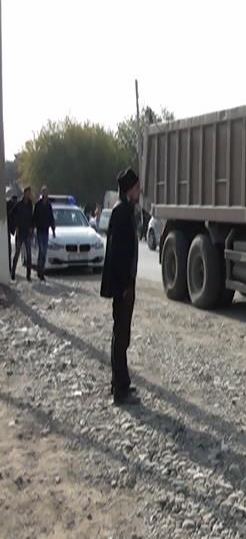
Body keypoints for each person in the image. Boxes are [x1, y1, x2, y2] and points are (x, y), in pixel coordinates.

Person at [100, 168, 141, 406]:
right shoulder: (121, 212)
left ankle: (122, 382)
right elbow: (117, 254)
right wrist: (125, 284)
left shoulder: (126, 211)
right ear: (128, 190)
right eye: (136, 187)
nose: (139, 191)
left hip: (126, 283)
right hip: (122, 286)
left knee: (124, 336)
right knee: (120, 334)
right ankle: (119, 389)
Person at [32, 186, 56, 281]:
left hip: (46, 231)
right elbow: (34, 217)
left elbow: (51, 218)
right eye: (44, 192)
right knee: (41, 251)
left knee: (44, 252)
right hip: (39, 231)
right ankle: (40, 271)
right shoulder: (38, 205)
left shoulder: (49, 205)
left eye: (47, 192)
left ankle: (41, 270)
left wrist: (53, 230)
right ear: (42, 193)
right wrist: (32, 227)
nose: (46, 194)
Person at [10, 187, 34, 282]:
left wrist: (32, 227)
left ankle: (28, 276)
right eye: (27, 193)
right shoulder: (18, 204)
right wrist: (16, 226)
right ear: (24, 194)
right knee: (17, 254)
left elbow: (32, 217)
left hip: (27, 233)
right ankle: (13, 274)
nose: (28, 195)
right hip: (20, 233)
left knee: (29, 255)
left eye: (29, 193)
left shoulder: (30, 204)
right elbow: (11, 214)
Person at [6, 194, 17, 265]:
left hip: (7, 229)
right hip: (6, 229)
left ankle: (9, 265)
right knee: (8, 249)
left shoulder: (9, 204)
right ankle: (9, 265)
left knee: (8, 249)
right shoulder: (9, 205)